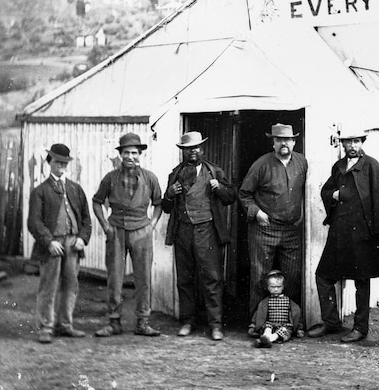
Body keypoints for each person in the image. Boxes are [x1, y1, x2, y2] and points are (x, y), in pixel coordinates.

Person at [307, 125, 379, 343]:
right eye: (348, 142)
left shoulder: (370, 165)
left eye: (356, 141)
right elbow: (326, 191)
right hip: (340, 233)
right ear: (342, 144)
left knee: (361, 281)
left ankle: (360, 328)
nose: (352, 146)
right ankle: (331, 323)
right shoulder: (338, 166)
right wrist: (335, 194)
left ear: (362, 143)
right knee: (323, 276)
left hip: (363, 235)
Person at [162, 131, 237, 341]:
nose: (193, 151)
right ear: (183, 151)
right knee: (185, 278)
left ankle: (215, 324)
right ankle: (187, 321)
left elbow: (231, 197)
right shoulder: (175, 174)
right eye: (188, 148)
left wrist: (220, 188)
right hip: (183, 232)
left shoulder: (214, 171)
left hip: (207, 232)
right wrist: (169, 194)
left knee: (212, 278)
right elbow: (166, 208)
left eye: (196, 147)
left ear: (202, 149)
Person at [239, 123, 308, 338]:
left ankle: (292, 325)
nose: (284, 143)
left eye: (287, 140)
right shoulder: (261, 165)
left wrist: (302, 216)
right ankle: (256, 324)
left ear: (294, 142)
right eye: (279, 140)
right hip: (264, 229)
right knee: (261, 277)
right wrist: (256, 212)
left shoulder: (302, 162)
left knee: (293, 278)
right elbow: (244, 194)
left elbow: (306, 191)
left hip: (291, 229)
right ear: (273, 142)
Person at [92, 132, 163, 337]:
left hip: (142, 231)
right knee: (115, 278)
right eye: (126, 152)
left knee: (143, 278)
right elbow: (97, 201)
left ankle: (143, 322)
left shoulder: (150, 178)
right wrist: (105, 225)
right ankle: (114, 322)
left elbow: (158, 204)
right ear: (120, 154)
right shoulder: (110, 178)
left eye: (134, 153)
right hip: (116, 232)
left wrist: (152, 225)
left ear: (140, 155)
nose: (130, 157)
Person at [27, 143, 92, 343]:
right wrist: (48, 242)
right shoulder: (40, 191)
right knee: (48, 285)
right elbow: (34, 222)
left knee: (71, 285)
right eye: (57, 162)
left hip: (73, 244)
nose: (61, 166)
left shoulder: (75, 189)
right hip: (52, 245)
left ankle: (65, 325)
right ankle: (46, 327)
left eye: (64, 163)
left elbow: (86, 219)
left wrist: (82, 238)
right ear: (50, 162)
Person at [249, 270, 303, 348]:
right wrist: (253, 325)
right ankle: (265, 337)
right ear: (268, 287)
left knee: (284, 330)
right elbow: (258, 314)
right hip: (271, 324)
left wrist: (299, 329)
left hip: (284, 325)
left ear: (283, 287)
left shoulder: (288, 301)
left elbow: (297, 315)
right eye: (273, 287)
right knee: (267, 328)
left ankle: (269, 339)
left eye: (279, 287)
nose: (276, 289)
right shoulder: (265, 302)